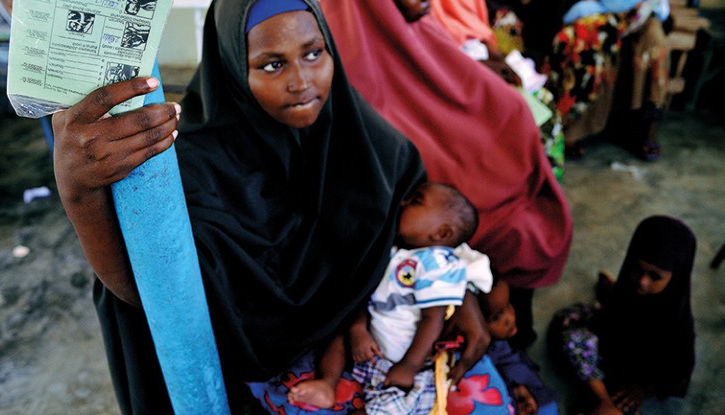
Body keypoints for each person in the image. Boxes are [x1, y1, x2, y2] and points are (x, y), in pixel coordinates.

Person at [52, 0, 500, 414]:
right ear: (231, 68)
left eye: (313, 53)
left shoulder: (371, 146)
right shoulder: (188, 168)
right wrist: (79, 195)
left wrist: (461, 292)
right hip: (245, 364)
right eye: (272, 64)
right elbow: (148, 292)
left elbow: (423, 222)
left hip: (358, 339)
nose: (301, 81)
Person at [321, 0, 572, 352]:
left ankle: (510, 327)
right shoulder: (342, 56)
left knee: (524, 145)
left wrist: (505, 105)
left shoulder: (416, 23)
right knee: (507, 228)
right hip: (423, 195)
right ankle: (501, 332)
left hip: (456, 177)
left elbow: (452, 81)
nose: (428, 0)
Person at [280, 181, 509, 414]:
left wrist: (409, 365)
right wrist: (358, 330)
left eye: (416, 201)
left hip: (405, 365)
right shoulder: (394, 252)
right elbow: (363, 294)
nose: (403, 203)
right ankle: (328, 384)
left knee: (391, 407)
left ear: (441, 233)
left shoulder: (437, 264)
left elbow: (433, 319)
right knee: (339, 333)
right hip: (370, 347)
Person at [528, 0, 670, 161]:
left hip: (634, 9)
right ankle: (576, 129)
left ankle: (644, 126)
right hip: (587, 5)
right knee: (587, 40)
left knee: (654, 38)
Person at [548, 216, 696, 415]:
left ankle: (602, 399)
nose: (642, 282)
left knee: (621, 405)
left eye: (655, 276)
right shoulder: (628, 289)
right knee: (566, 324)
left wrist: (641, 389)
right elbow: (611, 318)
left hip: (636, 375)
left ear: (677, 275)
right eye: (637, 269)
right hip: (608, 344)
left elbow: (676, 375)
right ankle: (601, 397)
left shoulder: (677, 325)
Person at [479, 277, 559, 415]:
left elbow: (511, 361)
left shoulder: (500, 344)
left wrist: (522, 389)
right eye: (496, 318)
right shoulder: (479, 356)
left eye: (508, 304)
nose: (509, 318)